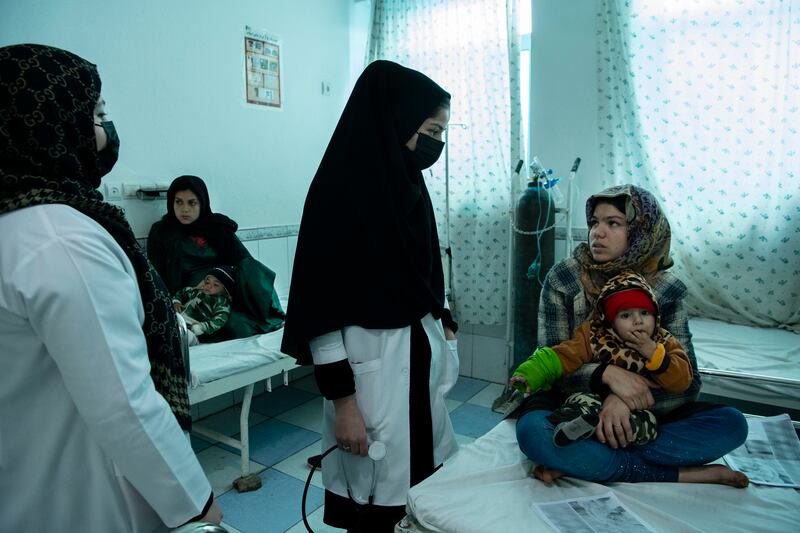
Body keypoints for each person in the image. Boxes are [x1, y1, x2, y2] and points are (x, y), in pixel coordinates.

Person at [0, 43, 222, 531]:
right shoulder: (61, 239)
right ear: (48, 122)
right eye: (97, 113)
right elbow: (124, 402)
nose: (106, 130)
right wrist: (198, 502)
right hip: (84, 492)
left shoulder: (16, 221)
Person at [281, 60, 460, 532]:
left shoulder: (408, 186)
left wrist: (443, 320)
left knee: (421, 490)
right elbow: (318, 311)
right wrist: (343, 405)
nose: (436, 143)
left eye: (443, 131)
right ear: (394, 118)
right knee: (375, 508)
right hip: (368, 376)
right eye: (430, 129)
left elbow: (425, 275)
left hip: (417, 362)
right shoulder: (338, 194)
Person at [514, 184, 750, 488]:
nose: (597, 232)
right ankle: (675, 473)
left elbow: (687, 383)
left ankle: (587, 460)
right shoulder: (564, 278)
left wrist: (624, 401)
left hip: (646, 412)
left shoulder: (667, 289)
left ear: (641, 232)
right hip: (573, 406)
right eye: (594, 222)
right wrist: (606, 375)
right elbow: (554, 366)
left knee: (732, 425)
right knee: (534, 434)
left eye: (613, 223)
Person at [510, 271, 692, 447]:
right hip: (594, 402)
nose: (638, 321)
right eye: (626, 315)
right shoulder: (596, 337)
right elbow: (561, 356)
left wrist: (653, 353)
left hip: (635, 409)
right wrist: (529, 373)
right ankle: (571, 430)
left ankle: (593, 446)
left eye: (645, 313)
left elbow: (683, 381)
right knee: (581, 402)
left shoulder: (664, 341)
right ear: (611, 321)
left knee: (649, 424)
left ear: (656, 315)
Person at [147, 174, 285, 340]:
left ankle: (267, 312)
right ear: (171, 203)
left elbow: (244, 260)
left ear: (202, 203)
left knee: (251, 267)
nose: (184, 209)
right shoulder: (162, 232)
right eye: (179, 202)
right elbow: (157, 277)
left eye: (192, 203)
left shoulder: (217, 227)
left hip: (225, 289)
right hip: (194, 297)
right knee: (235, 327)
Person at [173, 265, 236, 345]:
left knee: (180, 338)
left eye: (215, 285)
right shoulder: (196, 291)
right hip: (176, 319)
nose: (209, 286)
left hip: (191, 331)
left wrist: (201, 327)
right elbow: (181, 293)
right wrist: (176, 302)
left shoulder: (221, 301)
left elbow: (220, 320)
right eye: (207, 282)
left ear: (225, 291)